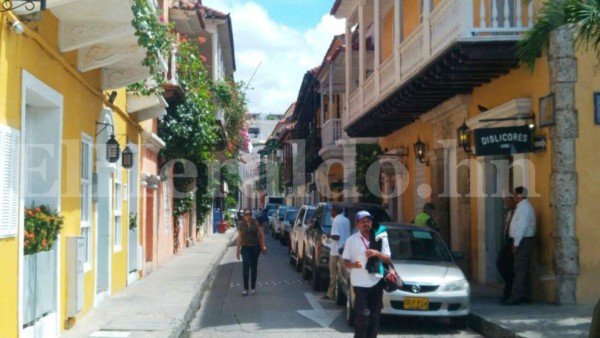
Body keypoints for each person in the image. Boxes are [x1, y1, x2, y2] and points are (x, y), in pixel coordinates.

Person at [343, 211, 391, 338]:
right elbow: (345, 262)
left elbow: (387, 259)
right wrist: (354, 265)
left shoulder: (380, 238)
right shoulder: (351, 240)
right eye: (363, 222)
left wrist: (376, 253)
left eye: (368, 221)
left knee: (375, 316)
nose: (366, 224)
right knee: (362, 316)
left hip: (376, 281)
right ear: (357, 224)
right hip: (359, 283)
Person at [502, 186, 536, 305]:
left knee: (519, 269)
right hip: (523, 240)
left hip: (523, 241)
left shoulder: (524, 208)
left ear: (520, 195)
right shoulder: (522, 207)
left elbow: (521, 227)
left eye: (515, 194)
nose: (514, 197)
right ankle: (525, 295)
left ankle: (515, 297)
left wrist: (516, 244)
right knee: (523, 269)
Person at [236, 208, 267, 296]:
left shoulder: (256, 223)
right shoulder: (242, 225)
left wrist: (264, 247)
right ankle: (245, 289)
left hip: (255, 247)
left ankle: (253, 288)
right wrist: (237, 251)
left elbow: (262, 235)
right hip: (245, 247)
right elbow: (239, 238)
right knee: (245, 267)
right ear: (244, 216)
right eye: (246, 214)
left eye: (249, 214)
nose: (248, 216)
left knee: (253, 267)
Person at [323, 204, 350, 300]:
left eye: (331, 210)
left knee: (333, 273)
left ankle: (330, 293)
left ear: (335, 211)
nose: (330, 212)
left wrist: (329, 235)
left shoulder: (336, 221)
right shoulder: (346, 220)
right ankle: (342, 293)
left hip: (335, 251)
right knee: (343, 274)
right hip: (345, 250)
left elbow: (336, 236)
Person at [496, 196, 516, 301]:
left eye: (509, 202)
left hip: (513, 242)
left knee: (509, 269)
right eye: (505, 202)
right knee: (500, 264)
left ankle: (508, 293)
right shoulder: (508, 213)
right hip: (506, 242)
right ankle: (507, 288)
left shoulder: (518, 212)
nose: (507, 204)